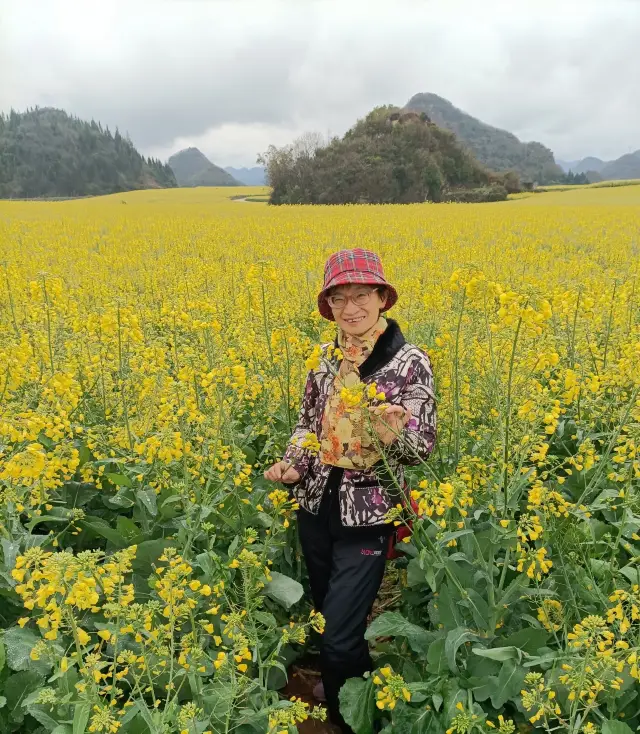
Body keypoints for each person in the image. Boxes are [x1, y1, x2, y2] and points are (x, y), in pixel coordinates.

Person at [264, 248, 437, 733]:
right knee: (328, 614)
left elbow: (422, 447)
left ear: (382, 298)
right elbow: (306, 427)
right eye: (339, 299)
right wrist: (292, 466)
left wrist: (394, 436)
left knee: (338, 635)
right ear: (329, 306)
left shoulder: (408, 362)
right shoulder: (323, 359)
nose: (351, 308)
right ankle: (351, 681)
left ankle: (346, 716)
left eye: (361, 295)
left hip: (371, 512)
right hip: (316, 505)